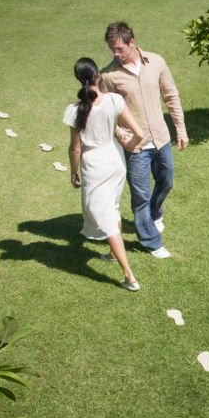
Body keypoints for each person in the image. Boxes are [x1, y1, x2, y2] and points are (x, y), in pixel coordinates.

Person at [100, 21, 189, 259]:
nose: (116, 54)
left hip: (160, 139)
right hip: (136, 147)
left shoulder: (156, 62)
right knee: (140, 196)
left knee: (166, 181)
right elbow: (107, 114)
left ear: (132, 42)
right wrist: (123, 138)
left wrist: (180, 129)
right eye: (112, 49)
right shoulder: (109, 76)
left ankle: (154, 213)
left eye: (119, 49)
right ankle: (151, 242)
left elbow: (171, 95)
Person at [64, 57, 146, 291]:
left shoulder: (74, 111)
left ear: (79, 80)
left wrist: (73, 171)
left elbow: (75, 148)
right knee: (113, 206)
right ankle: (112, 253)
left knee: (105, 217)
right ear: (98, 76)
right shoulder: (114, 100)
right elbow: (138, 132)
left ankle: (129, 277)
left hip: (94, 166)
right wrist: (132, 144)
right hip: (115, 160)